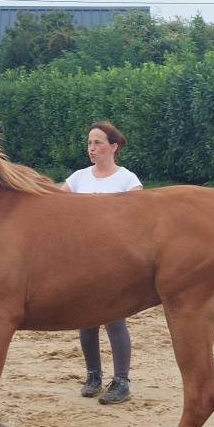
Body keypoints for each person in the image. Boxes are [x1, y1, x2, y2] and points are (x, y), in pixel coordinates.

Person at [63, 120, 142, 404]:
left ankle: (121, 381)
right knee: (85, 319)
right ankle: (93, 375)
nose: (91, 148)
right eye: (89, 143)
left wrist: (103, 205)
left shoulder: (127, 180)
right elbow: (55, 207)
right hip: (82, 258)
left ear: (113, 146)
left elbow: (138, 217)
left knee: (113, 318)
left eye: (97, 142)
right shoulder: (78, 178)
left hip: (113, 260)